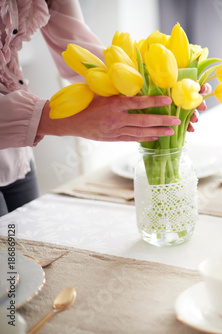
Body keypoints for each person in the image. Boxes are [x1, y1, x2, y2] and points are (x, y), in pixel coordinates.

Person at [0, 0, 207, 216]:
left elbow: (74, 45)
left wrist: (165, 92)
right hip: (13, 136)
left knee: (21, 244)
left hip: (16, 155)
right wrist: (61, 120)